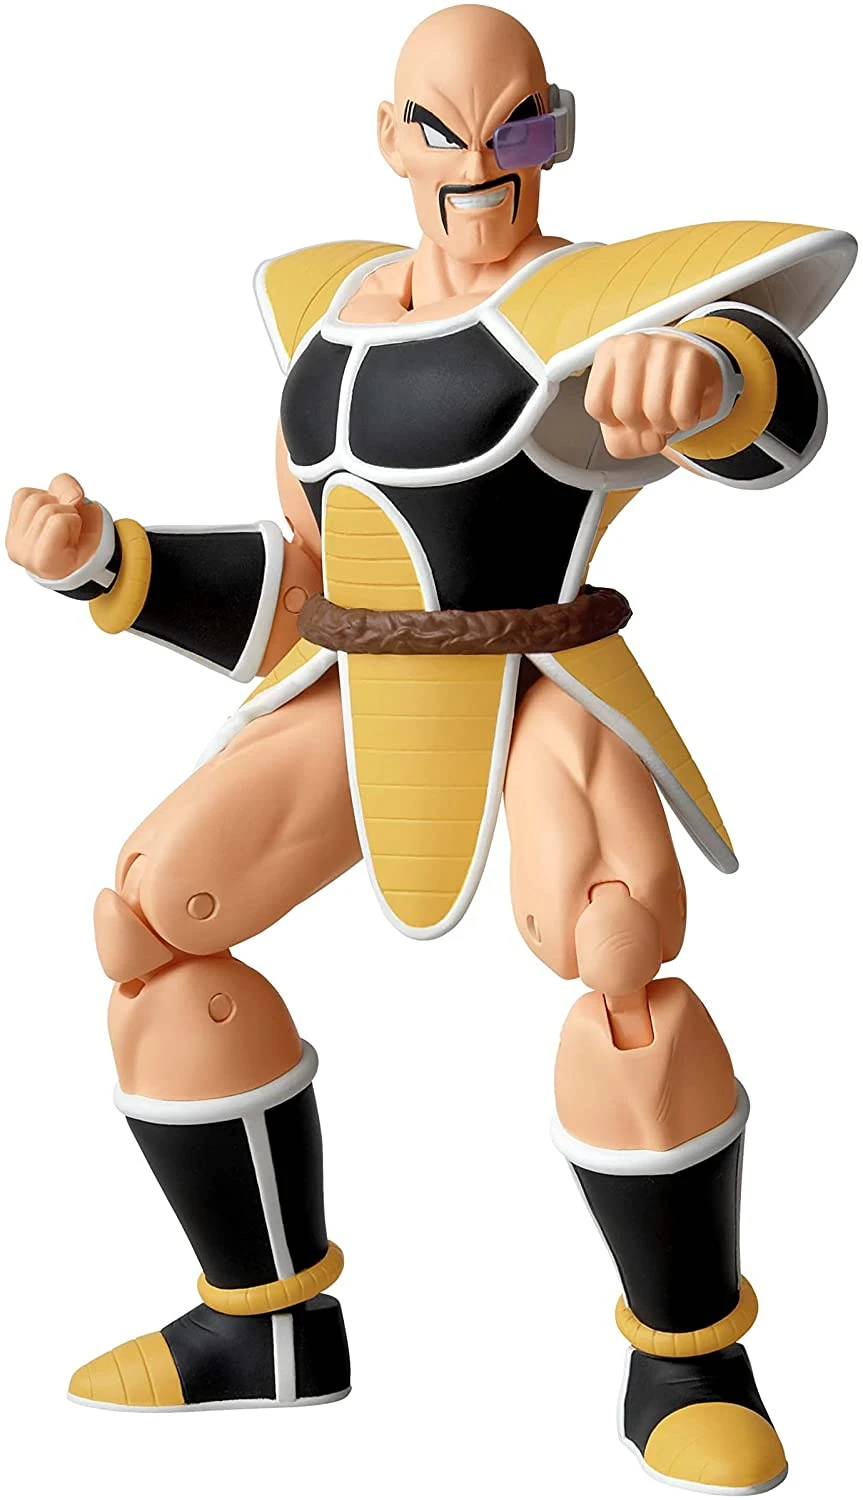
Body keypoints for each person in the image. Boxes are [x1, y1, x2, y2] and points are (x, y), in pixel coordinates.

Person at [5, 4, 855, 1491]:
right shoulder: (320, 313)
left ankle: (687, 1357)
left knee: (617, 959)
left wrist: (705, 382)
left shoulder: (588, 301)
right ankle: (265, 1325)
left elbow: (761, 398)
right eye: (446, 128)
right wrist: (106, 564)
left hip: (535, 671)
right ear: (391, 140)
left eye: (520, 124)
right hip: (361, 681)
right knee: (145, 923)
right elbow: (306, 581)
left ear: (557, 133)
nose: (483, 161)